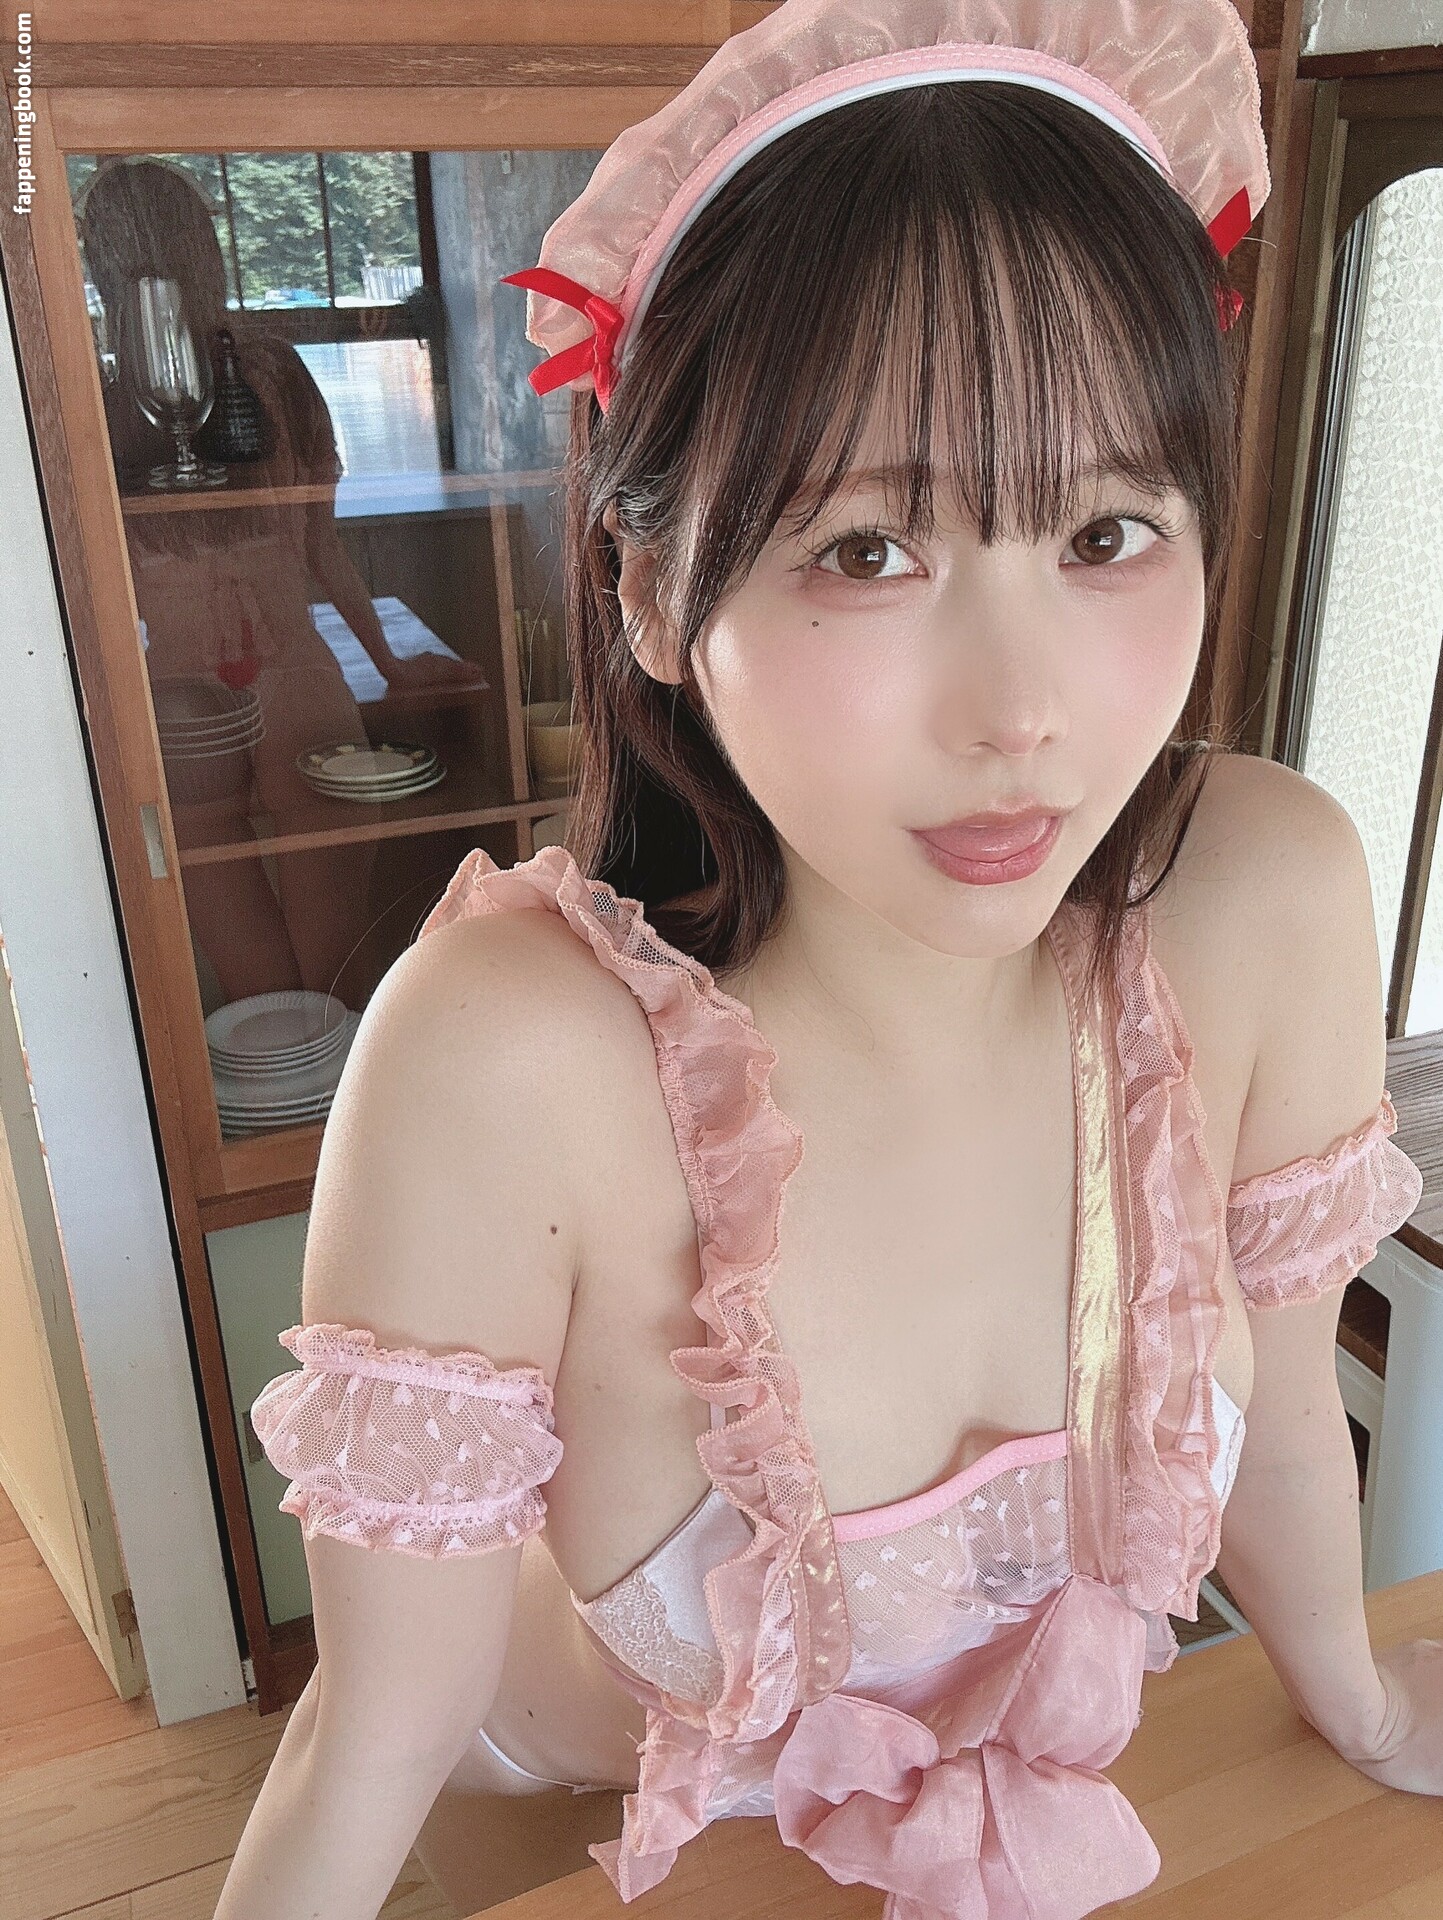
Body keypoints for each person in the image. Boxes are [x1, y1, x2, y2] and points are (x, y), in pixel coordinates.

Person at [221, 4, 1437, 1917]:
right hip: (589, 1833)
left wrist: (1354, 1704)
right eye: (867, 551)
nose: (1019, 714)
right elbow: (372, 1730)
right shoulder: (512, 1063)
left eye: (1105, 529)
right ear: (650, 590)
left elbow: (1285, 1421)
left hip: (1051, 1803)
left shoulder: (1262, 898)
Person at [78, 158, 477, 1006]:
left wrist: (390, 665)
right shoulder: (265, 370)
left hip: (177, 697)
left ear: (99, 263)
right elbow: (322, 546)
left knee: (261, 986)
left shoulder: (97, 392)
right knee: (337, 970)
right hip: (286, 675)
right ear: (208, 250)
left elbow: (96, 585)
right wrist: (387, 663)